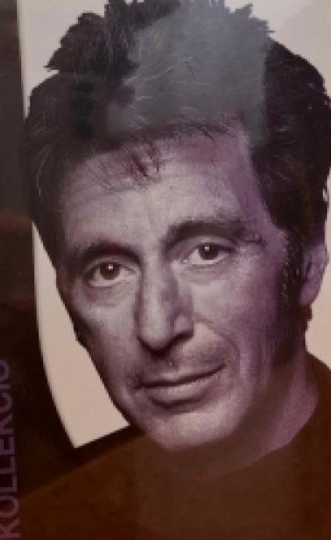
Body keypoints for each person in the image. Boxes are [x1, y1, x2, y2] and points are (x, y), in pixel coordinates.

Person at [24, 0, 331, 474]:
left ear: (308, 258)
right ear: (66, 297)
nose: (157, 328)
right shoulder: (39, 513)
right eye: (109, 270)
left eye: (207, 252)